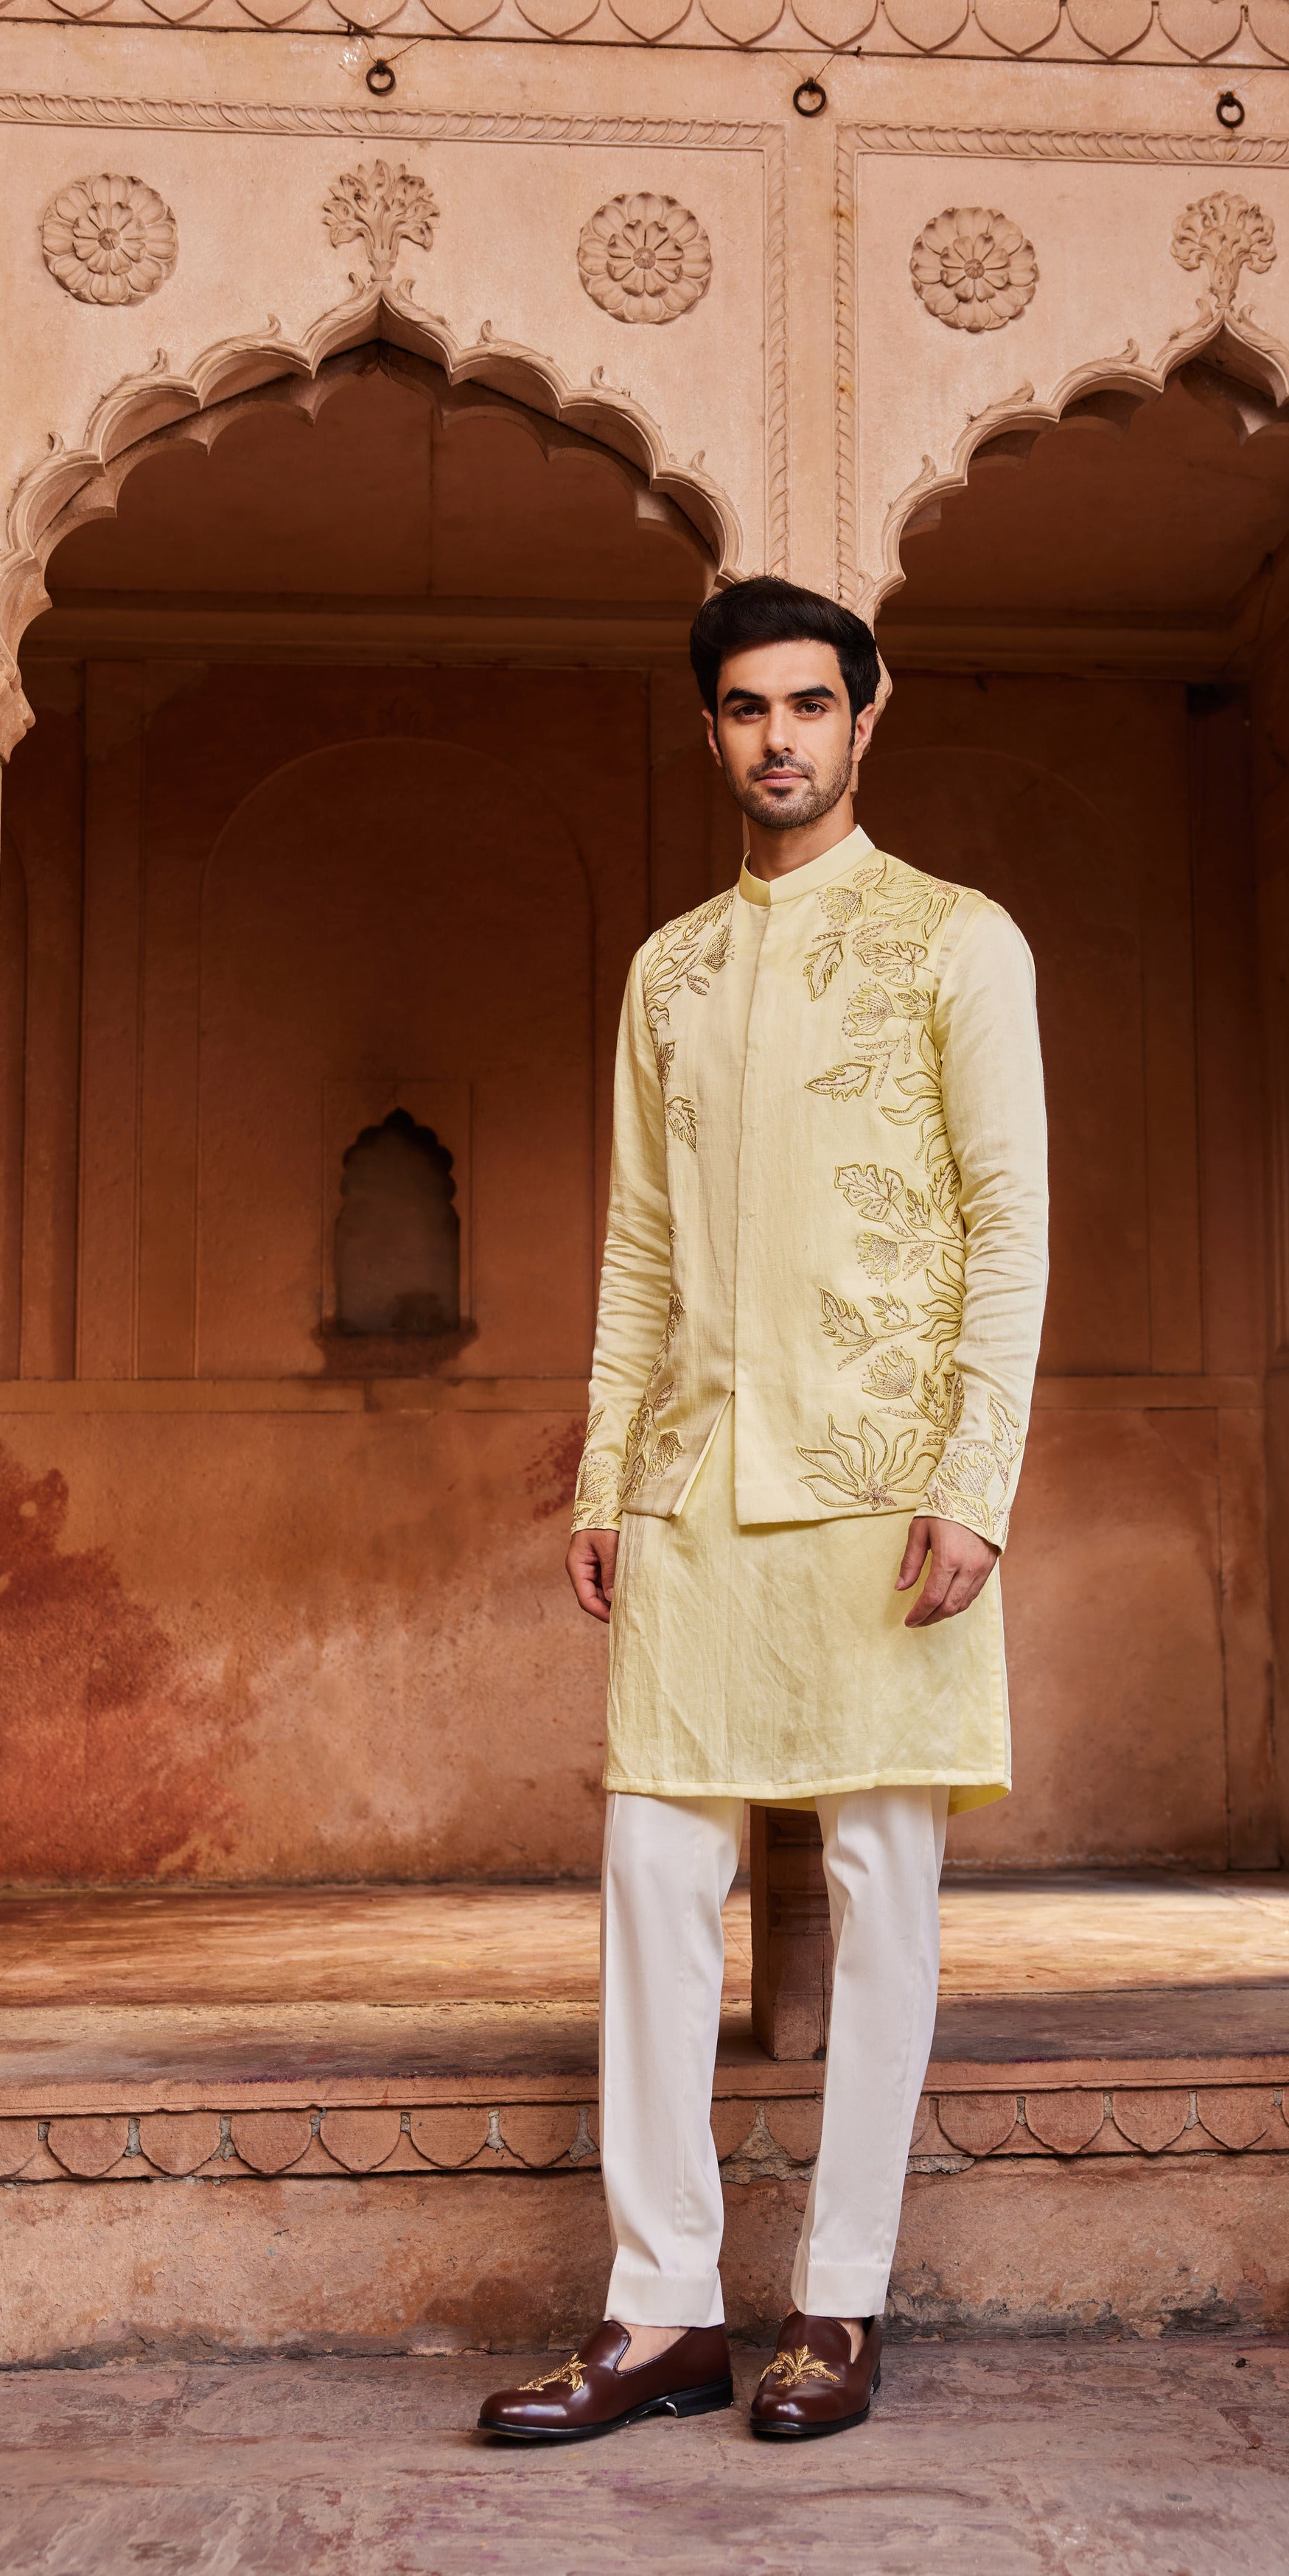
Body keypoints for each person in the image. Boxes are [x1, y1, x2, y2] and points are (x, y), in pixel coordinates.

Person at [477, 575, 1049, 2446]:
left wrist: (977, 1481)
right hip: (698, 1490)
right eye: (745, 710)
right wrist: (605, 1469)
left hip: (889, 1493)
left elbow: (1005, 1231)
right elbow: (639, 1240)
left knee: (884, 1896)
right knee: (654, 1882)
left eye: (811, 704)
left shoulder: (961, 942)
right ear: (711, 728)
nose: (778, 738)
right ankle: (658, 2314)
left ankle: (839, 2302)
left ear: (867, 720)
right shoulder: (670, 969)